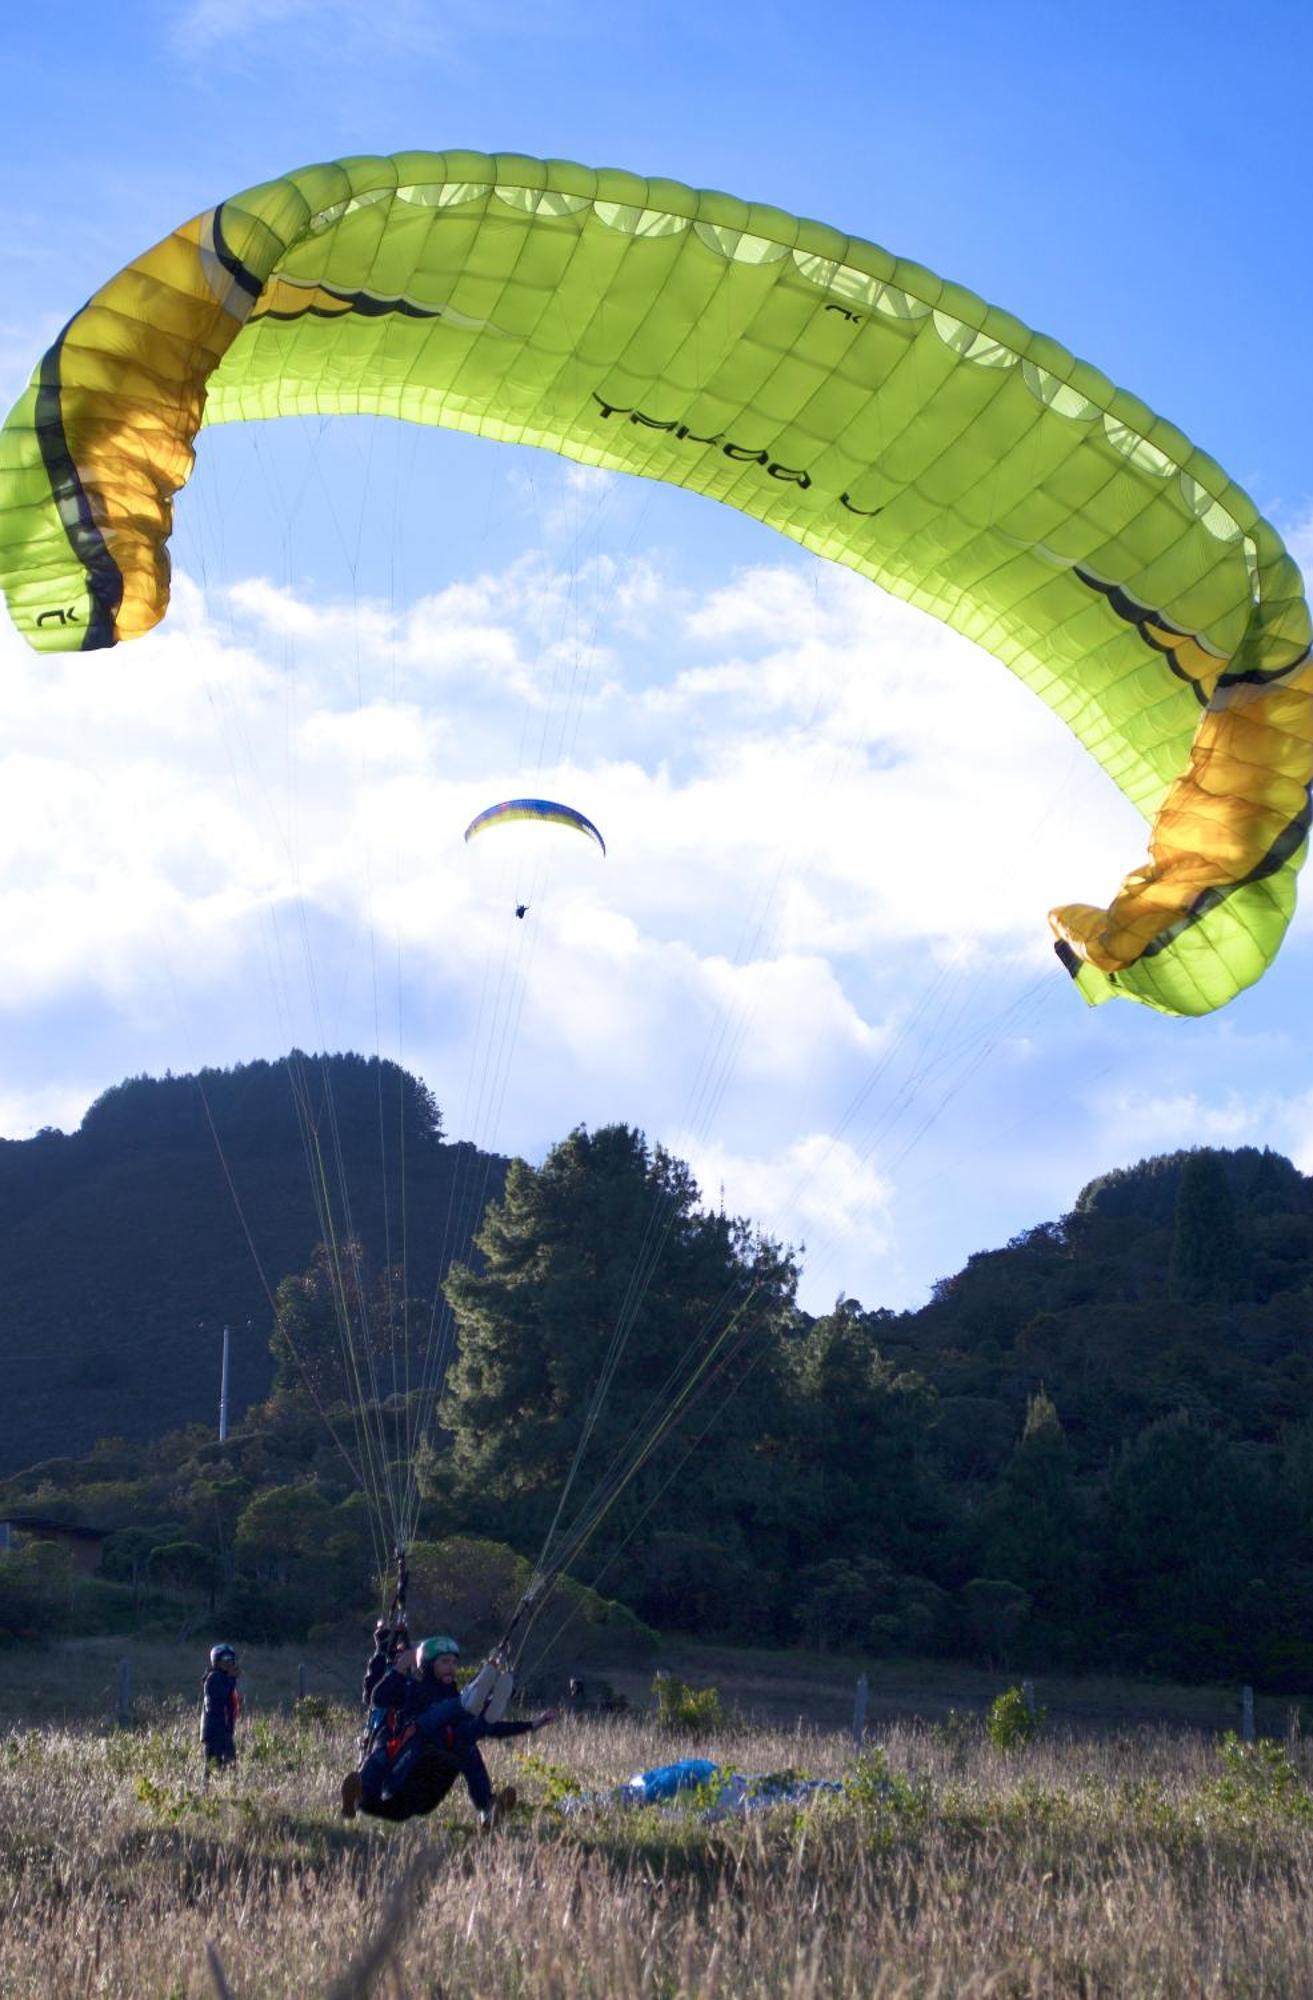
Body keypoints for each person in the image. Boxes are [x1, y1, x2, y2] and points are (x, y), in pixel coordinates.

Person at [341, 1635, 557, 1827]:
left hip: (429, 1783)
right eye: (445, 1661)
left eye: (454, 1662)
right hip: (403, 1766)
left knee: (469, 1737)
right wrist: (397, 1668)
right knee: (428, 1725)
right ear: (428, 1664)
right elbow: (377, 1699)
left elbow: (494, 1730)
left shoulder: (454, 1696)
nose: (451, 1667)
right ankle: (357, 1795)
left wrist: (532, 1724)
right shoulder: (411, 1689)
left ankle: (488, 1808)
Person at [200, 1642, 241, 1771]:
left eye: (231, 1660)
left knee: (230, 1765)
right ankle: (206, 1791)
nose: (229, 1663)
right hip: (214, 1732)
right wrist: (232, 1679)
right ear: (216, 1662)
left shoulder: (224, 1678)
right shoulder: (213, 1678)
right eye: (225, 1660)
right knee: (212, 1768)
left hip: (224, 1731)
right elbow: (220, 1698)